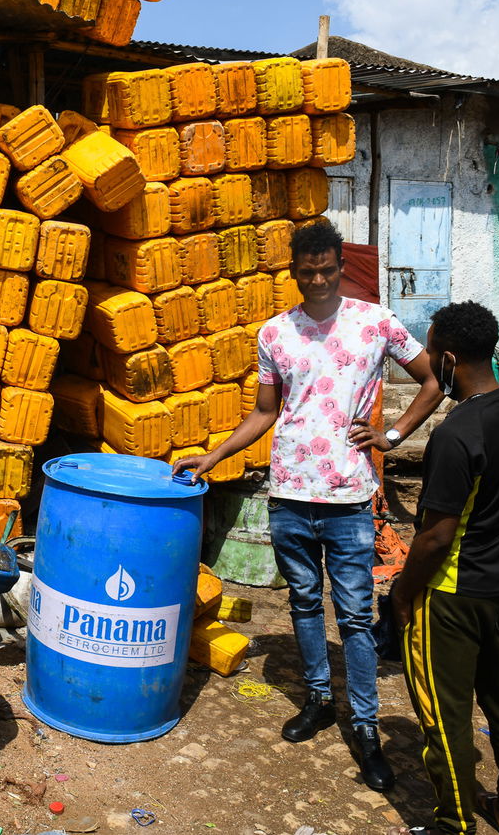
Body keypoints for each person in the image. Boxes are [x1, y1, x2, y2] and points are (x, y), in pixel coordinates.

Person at [174, 220, 442, 792]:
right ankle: (319, 698)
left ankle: (365, 727)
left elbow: (432, 381)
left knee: (352, 616)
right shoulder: (275, 334)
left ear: (341, 267)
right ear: (293, 271)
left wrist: (392, 436)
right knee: (302, 601)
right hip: (290, 494)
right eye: (308, 269)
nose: (318, 279)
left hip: (348, 498)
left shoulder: (375, 323)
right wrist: (213, 455)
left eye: (327, 268)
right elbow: (265, 412)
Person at [387, 302, 499, 835]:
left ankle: (454, 822)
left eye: (431, 353)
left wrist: (404, 594)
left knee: (445, 715)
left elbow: (435, 536)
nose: (429, 362)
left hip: (452, 594)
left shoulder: (456, 434)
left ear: (449, 357)